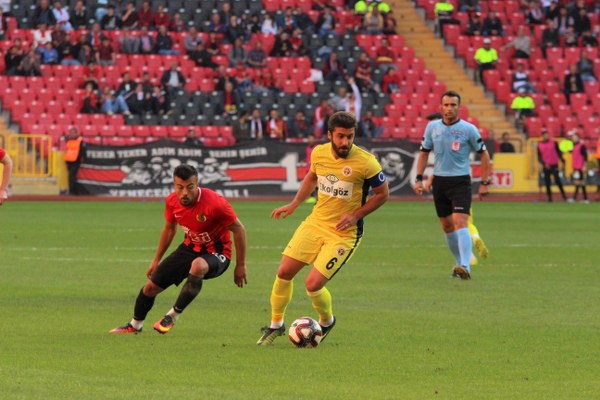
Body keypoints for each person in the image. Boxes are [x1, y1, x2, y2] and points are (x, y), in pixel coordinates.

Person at [256, 111, 389, 345]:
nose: (345, 142)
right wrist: (295, 203)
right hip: (316, 223)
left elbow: (383, 194)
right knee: (284, 272)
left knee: (312, 284)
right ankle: (276, 325)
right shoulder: (318, 153)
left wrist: (356, 214)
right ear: (329, 135)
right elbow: (311, 177)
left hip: (344, 233)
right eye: (340, 136)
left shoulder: (367, 162)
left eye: (350, 137)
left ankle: (327, 321)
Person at [110, 164, 248, 335]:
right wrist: (156, 260)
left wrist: (240, 265)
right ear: (174, 185)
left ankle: (172, 316)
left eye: (190, 187)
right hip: (189, 249)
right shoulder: (172, 202)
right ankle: (135, 325)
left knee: (198, 265)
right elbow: (169, 229)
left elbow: (239, 229)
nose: (184, 193)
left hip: (218, 253)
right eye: (179, 187)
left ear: (197, 184)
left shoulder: (215, 203)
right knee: (150, 288)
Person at [413, 91, 491, 280]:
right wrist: (419, 178)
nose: (449, 108)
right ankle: (458, 265)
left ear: (459, 107)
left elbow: (484, 155)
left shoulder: (469, 129)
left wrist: (484, 182)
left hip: (460, 181)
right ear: (440, 108)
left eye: (453, 105)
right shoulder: (432, 127)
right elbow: (423, 153)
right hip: (440, 181)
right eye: (446, 105)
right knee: (447, 227)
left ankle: (466, 265)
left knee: (460, 222)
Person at [537, 129, 567, 202]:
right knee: (547, 182)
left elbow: (559, 152)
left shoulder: (554, 143)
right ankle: (550, 198)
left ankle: (564, 196)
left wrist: (562, 160)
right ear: (542, 136)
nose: (547, 136)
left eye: (548, 134)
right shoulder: (539, 145)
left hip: (554, 164)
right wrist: (544, 164)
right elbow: (539, 157)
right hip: (546, 166)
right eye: (545, 135)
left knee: (557, 180)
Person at [63, 127, 86, 195]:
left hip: (76, 160)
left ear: (76, 133)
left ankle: (72, 191)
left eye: (73, 133)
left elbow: (83, 150)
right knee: (71, 176)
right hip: (69, 160)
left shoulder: (80, 141)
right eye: (70, 133)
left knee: (71, 176)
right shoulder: (69, 140)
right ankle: (73, 191)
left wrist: (82, 158)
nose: (71, 134)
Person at [568, 131, 589, 203]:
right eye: (573, 137)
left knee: (580, 182)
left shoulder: (581, 146)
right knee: (578, 182)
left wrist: (584, 166)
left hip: (580, 167)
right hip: (575, 167)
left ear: (578, 138)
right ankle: (584, 198)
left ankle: (582, 198)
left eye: (575, 137)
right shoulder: (573, 146)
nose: (574, 138)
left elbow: (585, 156)